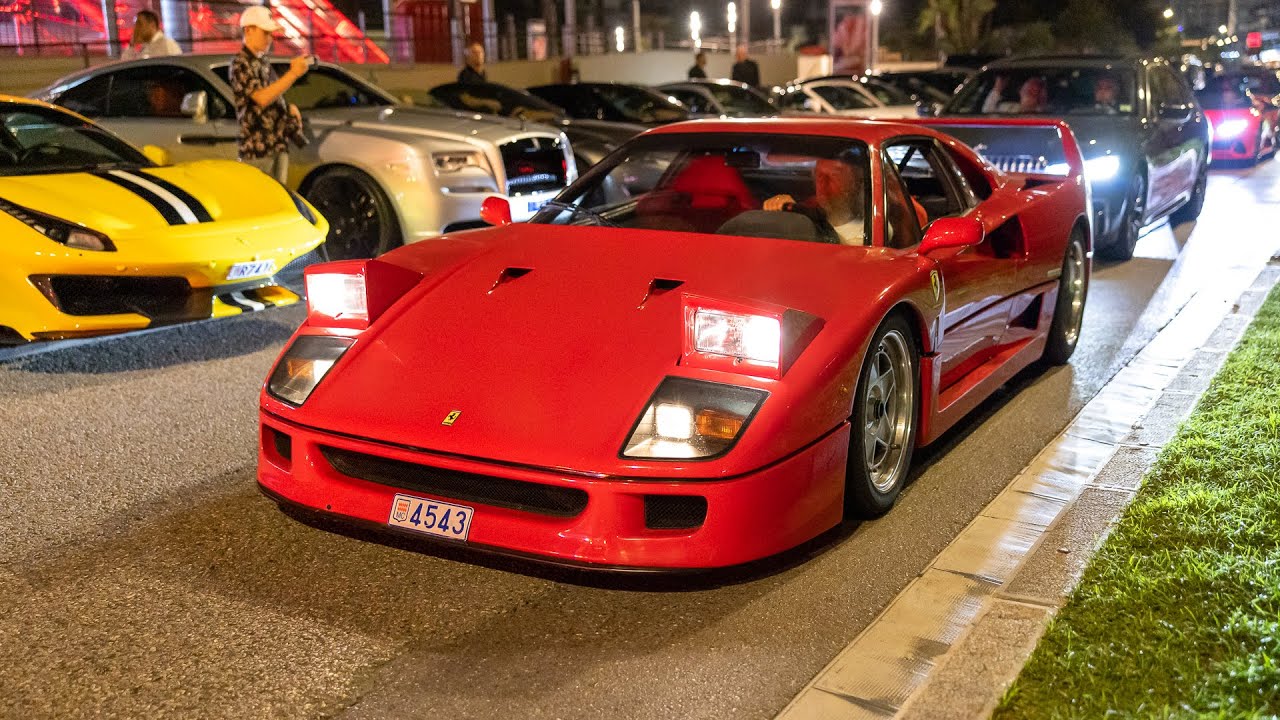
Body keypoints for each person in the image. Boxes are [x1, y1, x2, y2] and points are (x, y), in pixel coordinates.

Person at [230, 5, 309, 184]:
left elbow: (272, 92)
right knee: (261, 200)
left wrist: (288, 107)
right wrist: (293, 74)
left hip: (276, 143)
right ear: (248, 30)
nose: (270, 39)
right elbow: (261, 98)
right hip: (258, 149)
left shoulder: (262, 61)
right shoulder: (240, 63)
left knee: (279, 198)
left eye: (271, 34)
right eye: (265, 33)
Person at [763, 155, 866, 245]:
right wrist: (787, 211)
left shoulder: (872, 226)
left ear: (855, 183)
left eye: (834, 176)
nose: (823, 184)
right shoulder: (807, 208)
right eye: (819, 175)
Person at [982, 75, 1049, 114]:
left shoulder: (1046, 114)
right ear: (1020, 91)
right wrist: (997, 89)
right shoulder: (1006, 108)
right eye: (1030, 84)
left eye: (1037, 88)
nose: (1033, 87)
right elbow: (987, 113)